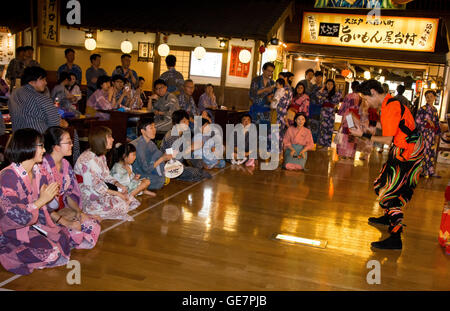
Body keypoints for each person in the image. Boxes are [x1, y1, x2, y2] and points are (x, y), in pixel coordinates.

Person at [349, 79, 424, 250]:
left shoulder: (391, 106)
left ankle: (395, 237)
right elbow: (393, 127)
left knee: (391, 193)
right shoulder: (390, 103)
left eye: (366, 98)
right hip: (405, 149)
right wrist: (368, 127)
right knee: (382, 182)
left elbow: (388, 139)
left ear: (374, 92)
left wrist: (364, 135)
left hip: (406, 153)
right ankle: (387, 217)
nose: (366, 102)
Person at [0, 128, 71, 275]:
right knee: (51, 251)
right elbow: (15, 217)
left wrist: (51, 197)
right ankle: (10, 254)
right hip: (12, 231)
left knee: (64, 237)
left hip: (33, 224)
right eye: (41, 146)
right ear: (27, 146)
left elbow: (49, 208)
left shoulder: (38, 170)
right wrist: (41, 201)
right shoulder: (8, 176)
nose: (44, 150)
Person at [41, 126, 101, 249]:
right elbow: (41, 206)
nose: (72, 145)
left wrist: (78, 212)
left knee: (92, 225)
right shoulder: (42, 167)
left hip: (62, 210)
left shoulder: (66, 164)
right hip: (45, 215)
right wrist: (64, 221)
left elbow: (70, 194)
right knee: (73, 233)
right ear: (56, 147)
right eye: (68, 142)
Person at [74, 126, 140, 221]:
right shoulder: (88, 159)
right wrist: (117, 193)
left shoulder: (101, 155)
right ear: (100, 140)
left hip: (99, 191)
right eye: (109, 137)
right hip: (88, 195)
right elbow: (94, 187)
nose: (113, 139)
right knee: (122, 205)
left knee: (128, 199)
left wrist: (118, 184)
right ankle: (89, 212)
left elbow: (106, 175)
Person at [8, 66, 67, 133]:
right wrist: (64, 123)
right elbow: (56, 123)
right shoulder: (41, 98)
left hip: (18, 138)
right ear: (32, 82)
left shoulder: (14, 94)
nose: (46, 83)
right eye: (43, 79)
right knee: (71, 133)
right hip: (39, 139)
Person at [160, 109, 212, 181]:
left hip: (181, 161)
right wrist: (191, 148)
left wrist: (192, 148)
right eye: (183, 121)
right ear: (176, 123)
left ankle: (191, 173)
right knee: (195, 172)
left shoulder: (182, 134)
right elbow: (175, 159)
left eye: (187, 121)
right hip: (171, 165)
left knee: (199, 163)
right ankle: (183, 175)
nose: (186, 123)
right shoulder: (171, 137)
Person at [131, 117, 172, 191]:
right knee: (160, 181)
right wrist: (162, 159)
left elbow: (156, 159)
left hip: (148, 170)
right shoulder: (139, 145)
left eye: (154, 127)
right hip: (137, 174)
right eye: (151, 128)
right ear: (143, 131)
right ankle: (137, 185)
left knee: (158, 154)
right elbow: (145, 169)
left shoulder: (151, 143)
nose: (154, 130)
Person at [415, 90, 441, 178]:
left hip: (432, 135)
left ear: (434, 97)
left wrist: (437, 135)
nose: (429, 98)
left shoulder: (435, 109)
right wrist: (427, 121)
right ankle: (422, 171)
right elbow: (417, 121)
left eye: (431, 96)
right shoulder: (422, 109)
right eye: (427, 97)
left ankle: (430, 171)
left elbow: (436, 123)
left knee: (431, 152)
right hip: (424, 134)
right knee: (424, 152)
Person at [336, 81, 361, 160]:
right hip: (356, 117)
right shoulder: (361, 98)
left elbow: (344, 107)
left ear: (351, 87)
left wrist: (341, 115)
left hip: (349, 116)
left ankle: (343, 153)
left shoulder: (348, 96)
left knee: (345, 134)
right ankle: (351, 153)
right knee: (352, 134)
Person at [249, 62, 275, 127]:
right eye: (268, 71)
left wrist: (271, 98)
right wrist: (265, 89)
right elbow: (252, 94)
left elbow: (272, 97)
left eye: (271, 72)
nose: (270, 73)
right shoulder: (256, 80)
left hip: (266, 113)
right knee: (253, 134)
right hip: (256, 111)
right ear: (263, 69)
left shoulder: (272, 83)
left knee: (263, 135)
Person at [317, 79, 341, 149]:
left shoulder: (336, 93)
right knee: (322, 127)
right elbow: (318, 99)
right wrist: (322, 89)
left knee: (330, 128)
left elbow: (336, 101)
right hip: (323, 111)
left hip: (331, 112)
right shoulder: (323, 92)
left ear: (333, 85)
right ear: (325, 85)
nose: (329, 86)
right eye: (328, 84)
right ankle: (321, 143)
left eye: (331, 84)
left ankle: (327, 143)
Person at [274, 78, 293, 153]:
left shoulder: (284, 90)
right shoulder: (286, 90)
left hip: (279, 113)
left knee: (277, 131)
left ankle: (277, 150)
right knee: (279, 132)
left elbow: (278, 101)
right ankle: (278, 150)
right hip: (281, 113)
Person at [308, 71, 324, 143]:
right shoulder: (312, 86)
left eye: (320, 77)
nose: (318, 79)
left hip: (320, 108)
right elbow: (309, 95)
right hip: (311, 107)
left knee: (318, 125)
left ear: (322, 78)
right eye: (317, 77)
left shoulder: (324, 87)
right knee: (310, 124)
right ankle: (309, 141)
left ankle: (316, 141)